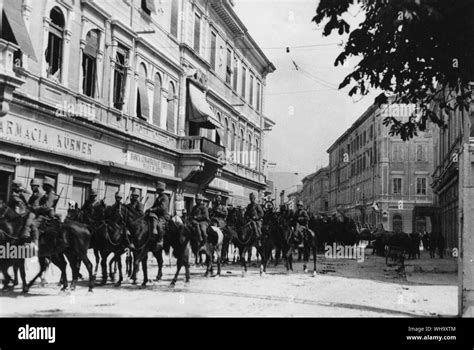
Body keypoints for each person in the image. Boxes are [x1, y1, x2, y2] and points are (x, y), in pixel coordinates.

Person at [148, 182, 170, 248]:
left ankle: (160, 240)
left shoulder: (165, 197)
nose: (156, 191)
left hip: (163, 216)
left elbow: (162, 207)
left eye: (158, 189)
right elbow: (154, 206)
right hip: (157, 215)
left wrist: (152, 209)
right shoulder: (158, 198)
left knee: (159, 225)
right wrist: (149, 209)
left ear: (161, 190)